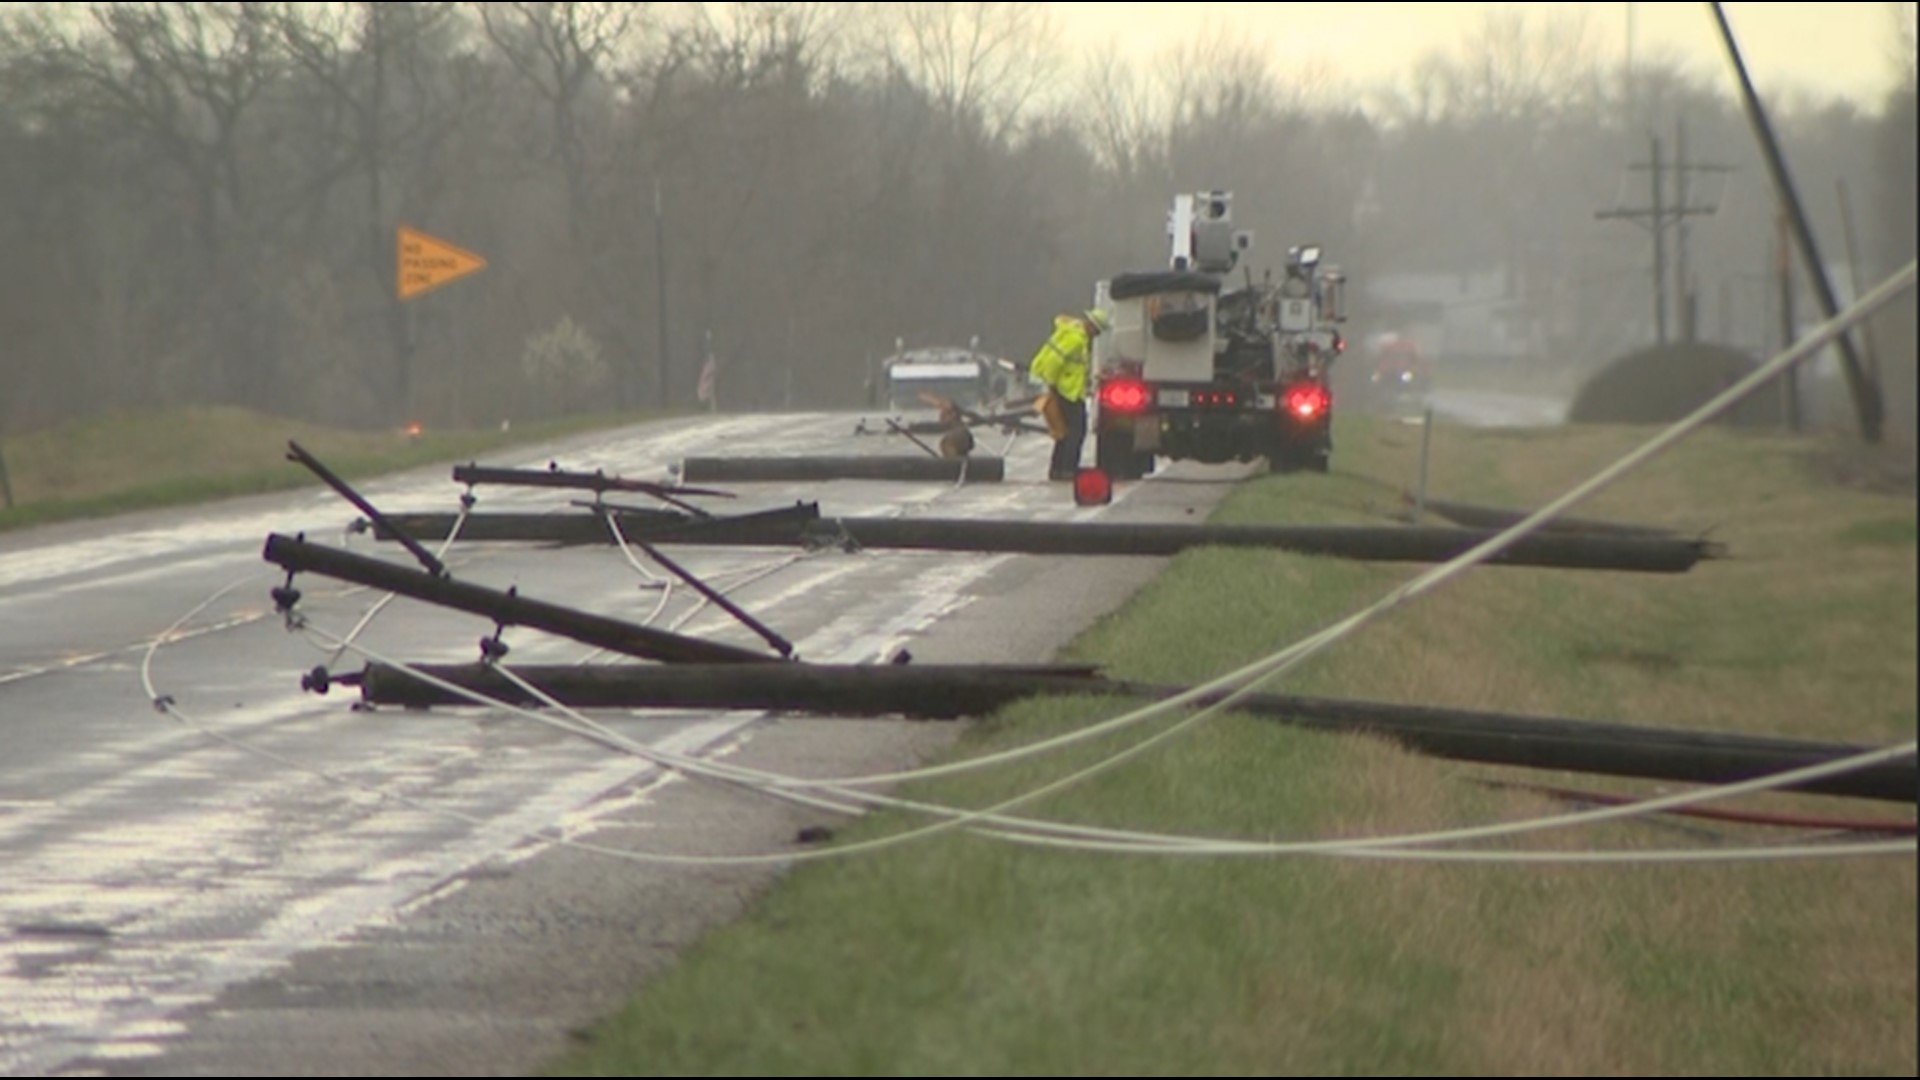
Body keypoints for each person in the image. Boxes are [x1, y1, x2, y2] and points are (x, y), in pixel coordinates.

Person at [1028, 306, 1109, 480]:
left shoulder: (1073, 334)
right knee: (1077, 430)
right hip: (1067, 391)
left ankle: (1057, 468)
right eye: (1097, 331)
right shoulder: (1076, 339)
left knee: (1063, 431)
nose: (1096, 336)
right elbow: (1056, 361)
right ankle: (1067, 469)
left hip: (1067, 389)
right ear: (1092, 326)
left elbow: (1074, 367)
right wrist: (1050, 385)